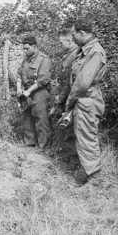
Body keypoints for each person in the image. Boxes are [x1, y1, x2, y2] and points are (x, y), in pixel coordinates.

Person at [64, 19, 106, 185]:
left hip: (87, 100)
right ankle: (86, 172)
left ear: (82, 33)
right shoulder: (84, 51)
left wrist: (69, 100)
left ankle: (94, 178)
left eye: (74, 34)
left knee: (87, 137)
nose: (72, 38)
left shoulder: (95, 51)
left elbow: (82, 82)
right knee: (80, 136)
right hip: (82, 99)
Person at [17, 35, 51, 150]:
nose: (25, 51)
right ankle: (29, 143)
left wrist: (29, 91)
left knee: (41, 119)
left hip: (39, 92)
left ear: (35, 46)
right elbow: (19, 74)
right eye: (24, 49)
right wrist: (19, 89)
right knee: (27, 117)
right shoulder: (26, 59)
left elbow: (42, 80)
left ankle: (43, 146)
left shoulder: (44, 59)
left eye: (27, 48)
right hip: (26, 92)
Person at [50, 28, 79, 156]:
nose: (60, 45)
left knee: (69, 128)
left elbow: (69, 81)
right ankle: (60, 151)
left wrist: (60, 98)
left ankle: (69, 157)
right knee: (61, 125)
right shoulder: (67, 54)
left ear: (70, 40)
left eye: (62, 42)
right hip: (64, 94)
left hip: (70, 97)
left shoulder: (75, 55)